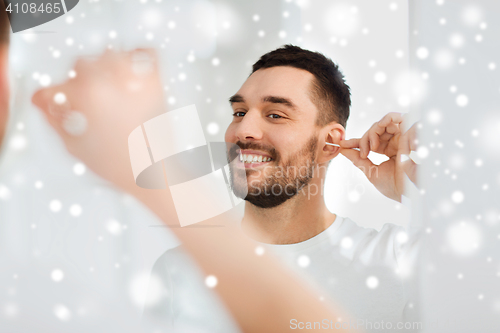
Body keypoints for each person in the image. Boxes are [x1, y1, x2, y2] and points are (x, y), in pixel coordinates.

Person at [32, 46, 420, 332]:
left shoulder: (400, 260)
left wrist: (419, 188)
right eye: (238, 112)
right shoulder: (177, 271)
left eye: (275, 114)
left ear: (329, 142)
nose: (242, 130)